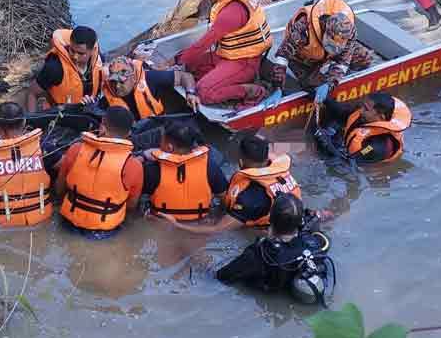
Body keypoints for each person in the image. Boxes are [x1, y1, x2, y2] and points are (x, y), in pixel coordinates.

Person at [154, 133, 299, 234]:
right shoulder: (277, 169)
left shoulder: (250, 199)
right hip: (289, 220)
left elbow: (216, 230)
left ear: (241, 161)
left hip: (261, 231)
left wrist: (176, 224)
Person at [174, 0, 272, 106]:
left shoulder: (231, 12)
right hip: (228, 54)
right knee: (189, 63)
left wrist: (173, 63)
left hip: (243, 62)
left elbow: (203, 44)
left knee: (203, 92)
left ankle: (252, 90)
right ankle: (223, 79)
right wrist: (178, 59)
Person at [215, 194, 333, 304]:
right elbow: (314, 230)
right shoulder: (318, 243)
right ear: (300, 222)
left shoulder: (259, 255)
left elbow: (222, 277)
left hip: (265, 292)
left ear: (270, 219)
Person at [54, 106, 144, 238]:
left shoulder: (76, 149)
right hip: (104, 231)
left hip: (68, 223)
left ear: (102, 124)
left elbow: (59, 188)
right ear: (129, 133)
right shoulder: (134, 166)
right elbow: (131, 206)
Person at [0, 102, 53, 226]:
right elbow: (63, 166)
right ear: (24, 122)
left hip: (6, 226)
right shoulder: (43, 147)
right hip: (43, 220)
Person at [275, 0, 373, 96]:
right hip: (303, 58)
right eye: (331, 45)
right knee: (312, 87)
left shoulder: (349, 32)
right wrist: (277, 87)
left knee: (365, 57)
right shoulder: (303, 28)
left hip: (325, 56)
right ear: (325, 31)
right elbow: (282, 56)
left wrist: (330, 82)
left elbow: (343, 62)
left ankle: (332, 74)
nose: (334, 49)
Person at [141, 123, 229, 220]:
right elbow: (226, 200)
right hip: (200, 223)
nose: (159, 145)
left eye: (161, 142)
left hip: (162, 223)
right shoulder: (210, 167)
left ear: (170, 147)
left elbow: (133, 198)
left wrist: (143, 156)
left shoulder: (152, 169)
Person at [313, 91, 411, 164]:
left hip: (363, 164)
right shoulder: (365, 115)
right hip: (348, 147)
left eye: (366, 109)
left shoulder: (375, 147)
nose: (361, 111)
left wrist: (325, 142)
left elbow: (348, 162)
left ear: (381, 117)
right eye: (362, 106)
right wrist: (324, 97)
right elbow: (343, 112)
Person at [100, 55, 201, 118]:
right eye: (114, 81)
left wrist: (191, 93)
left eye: (121, 82)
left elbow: (185, 76)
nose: (117, 86)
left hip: (154, 125)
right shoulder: (107, 96)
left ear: (133, 78)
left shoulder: (150, 78)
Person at [28, 26, 103, 111]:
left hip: (89, 108)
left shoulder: (97, 60)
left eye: (81, 53)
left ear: (93, 50)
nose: (75, 56)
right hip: (60, 113)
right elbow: (32, 92)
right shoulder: (55, 68)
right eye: (72, 50)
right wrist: (32, 119)